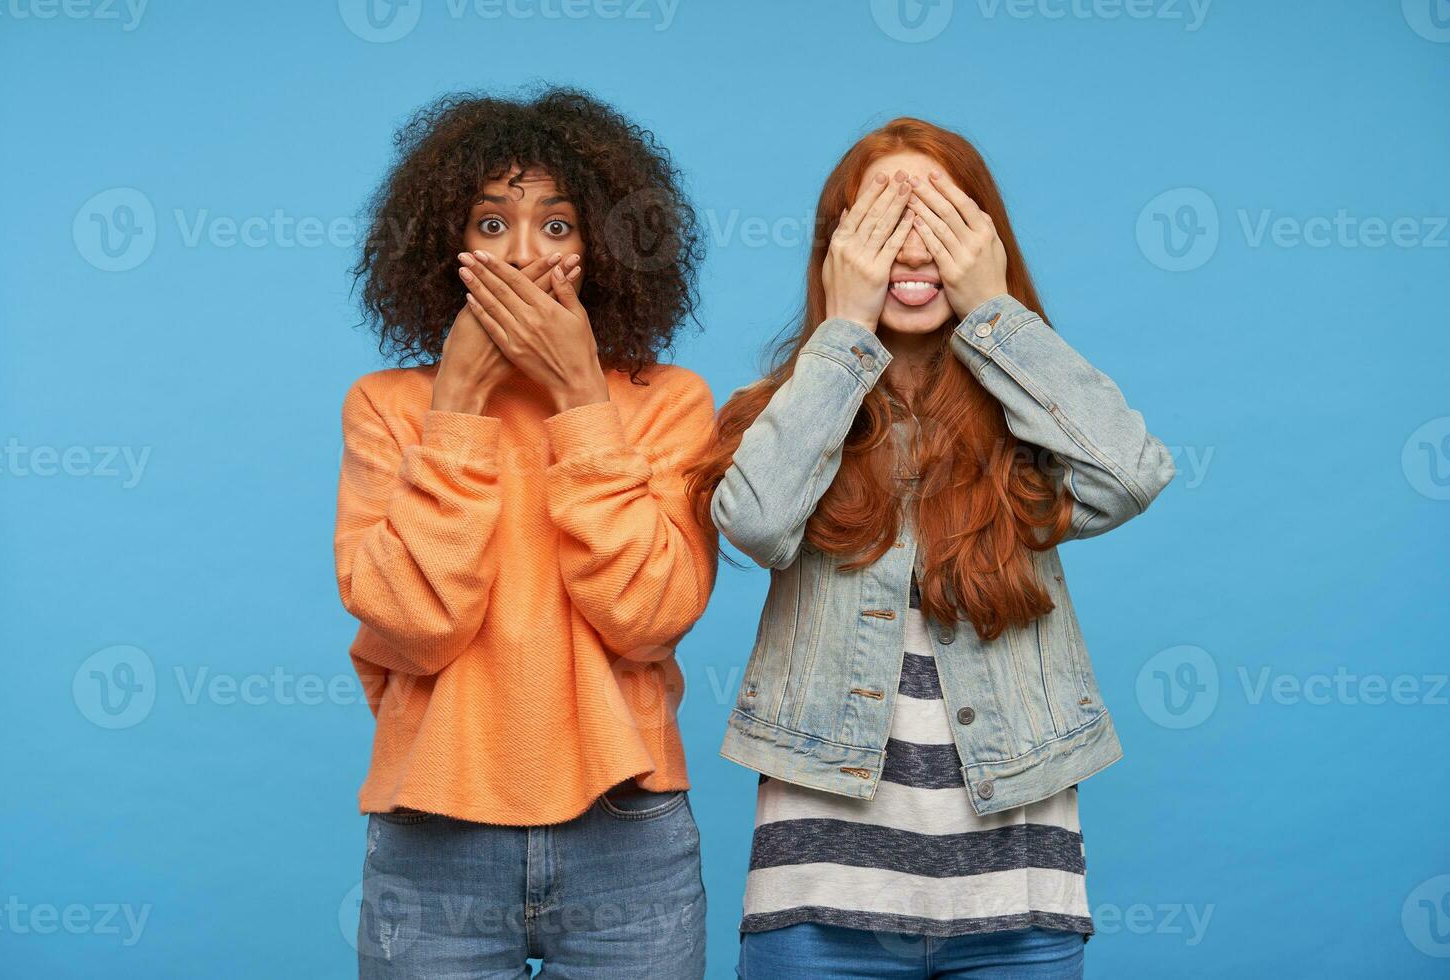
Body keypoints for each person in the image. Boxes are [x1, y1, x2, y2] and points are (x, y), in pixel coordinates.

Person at [688, 117, 1176, 979]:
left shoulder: (1031, 426)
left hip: (1017, 887)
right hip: (818, 883)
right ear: (839, 251)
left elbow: (1130, 474)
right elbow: (758, 523)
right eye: (882, 222)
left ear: (985, 240)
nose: (911, 251)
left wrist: (997, 311)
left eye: (941, 219)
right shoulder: (785, 412)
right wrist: (845, 333)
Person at [336, 86, 715, 979]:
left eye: (556, 225)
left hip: (629, 834)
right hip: (432, 836)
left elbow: (650, 616)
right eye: (491, 222)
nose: (521, 256)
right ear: (448, 244)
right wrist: (457, 408)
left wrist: (584, 403)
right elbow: (410, 626)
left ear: (602, 246)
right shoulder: (387, 408)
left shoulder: (668, 404)